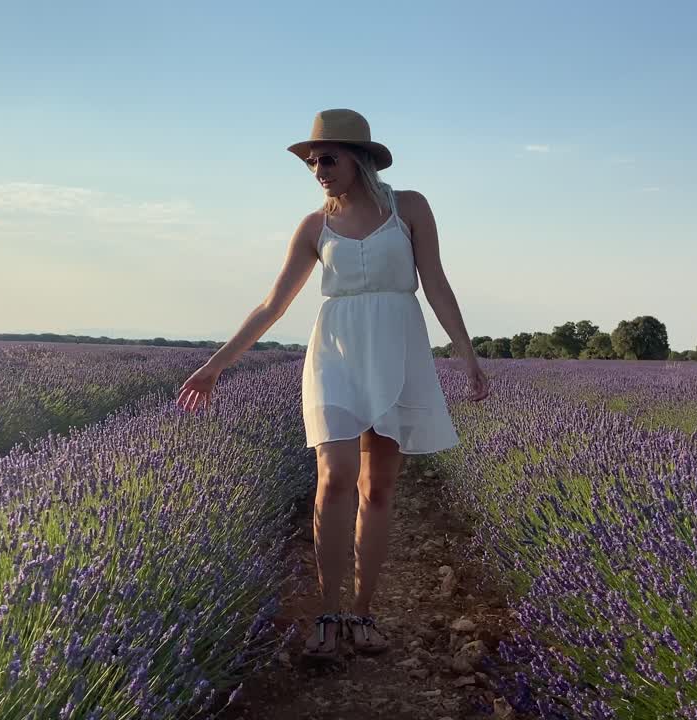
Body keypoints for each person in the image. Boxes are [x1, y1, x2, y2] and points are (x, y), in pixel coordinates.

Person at [176, 108, 489, 663]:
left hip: (398, 348)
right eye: (312, 161)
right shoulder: (313, 227)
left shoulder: (408, 207)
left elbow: (435, 281)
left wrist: (467, 354)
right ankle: (327, 610)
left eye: (328, 158)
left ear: (360, 158)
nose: (318, 168)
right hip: (336, 352)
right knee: (335, 475)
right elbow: (274, 304)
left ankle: (363, 613)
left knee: (378, 488)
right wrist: (217, 364)